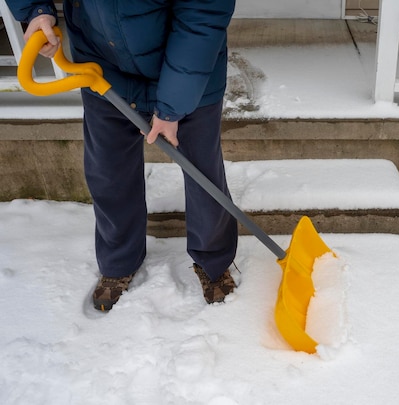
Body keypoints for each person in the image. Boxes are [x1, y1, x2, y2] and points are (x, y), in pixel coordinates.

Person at [7, 0, 239, 310]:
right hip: (104, 65)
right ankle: (119, 261)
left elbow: (201, 21)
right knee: (109, 174)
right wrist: (37, 10)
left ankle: (213, 261)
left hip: (192, 76)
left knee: (203, 174)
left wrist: (171, 108)